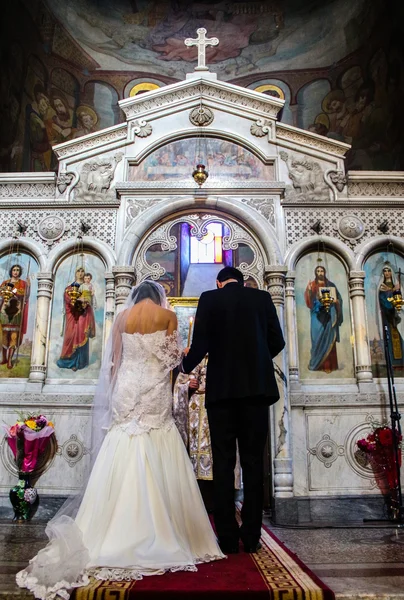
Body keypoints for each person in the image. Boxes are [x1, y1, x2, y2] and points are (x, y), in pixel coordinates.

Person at [17, 280, 224, 599]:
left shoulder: (123, 317)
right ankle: (161, 530)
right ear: (158, 298)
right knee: (157, 441)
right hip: (154, 387)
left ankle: (109, 529)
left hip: (126, 387)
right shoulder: (167, 317)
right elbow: (173, 361)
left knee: (122, 444)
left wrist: (115, 390)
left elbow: (113, 360)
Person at [181, 267, 285, 554]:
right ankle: (251, 537)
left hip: (222, 394)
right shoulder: (262, 299)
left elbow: (200, 343)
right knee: (253, 464)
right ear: (243, 282)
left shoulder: (209, 299)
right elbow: (278, 341)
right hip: (256, 392)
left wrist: (183, 368)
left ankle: (227, 537)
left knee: (223, 465)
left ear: (219, 283)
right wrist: (257, 360)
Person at [304, 264, 343, 374]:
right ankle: (317, 364)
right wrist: (309, 292)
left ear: (324, 272)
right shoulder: (312, 285)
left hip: (329, 316)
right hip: (317, 317)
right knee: (317, 339)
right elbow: (309, 302)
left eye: (322, 271)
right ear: (315, 273)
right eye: (318, 271)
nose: (320, 273)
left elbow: (338, 298)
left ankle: (330, 366)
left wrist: (336, 302)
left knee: (330, 339)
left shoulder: (331, 285)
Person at [57, 267, 96, 372]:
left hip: (83, 315)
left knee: (82, 334)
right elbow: (68, 299)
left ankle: (80, 362)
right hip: (73, 315)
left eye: (82, 271)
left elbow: (91, 299)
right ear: (75, 273)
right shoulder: (70, 288)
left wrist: (86, 301)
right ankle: (68, 360)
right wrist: (78, 300)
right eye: (78, 271)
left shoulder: (86, 287)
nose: (80, 273)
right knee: (70, 335)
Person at [0, 264, 30, 369]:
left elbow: (25, 296)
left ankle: (9, 360)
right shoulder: (5, 283)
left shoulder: (22, 283)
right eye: (14, 270)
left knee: (13, 336)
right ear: (11, 271)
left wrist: (28, 287)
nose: (16, 272)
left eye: (17, 270)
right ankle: (3, 358)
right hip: (4, 311)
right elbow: (0, 294)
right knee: (3, 336)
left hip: (16, 311)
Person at [378, 264, 404, 367]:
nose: (387, 273)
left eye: (389, 271)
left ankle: (402, 361)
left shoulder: (397, 285)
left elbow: (400, 298)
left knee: (399, 334)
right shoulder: (381, 286)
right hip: (387, 315)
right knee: (389, 337)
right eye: (385, 271)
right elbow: (382, 300)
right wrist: (391, 292)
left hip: (397, 314)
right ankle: (392, 363)